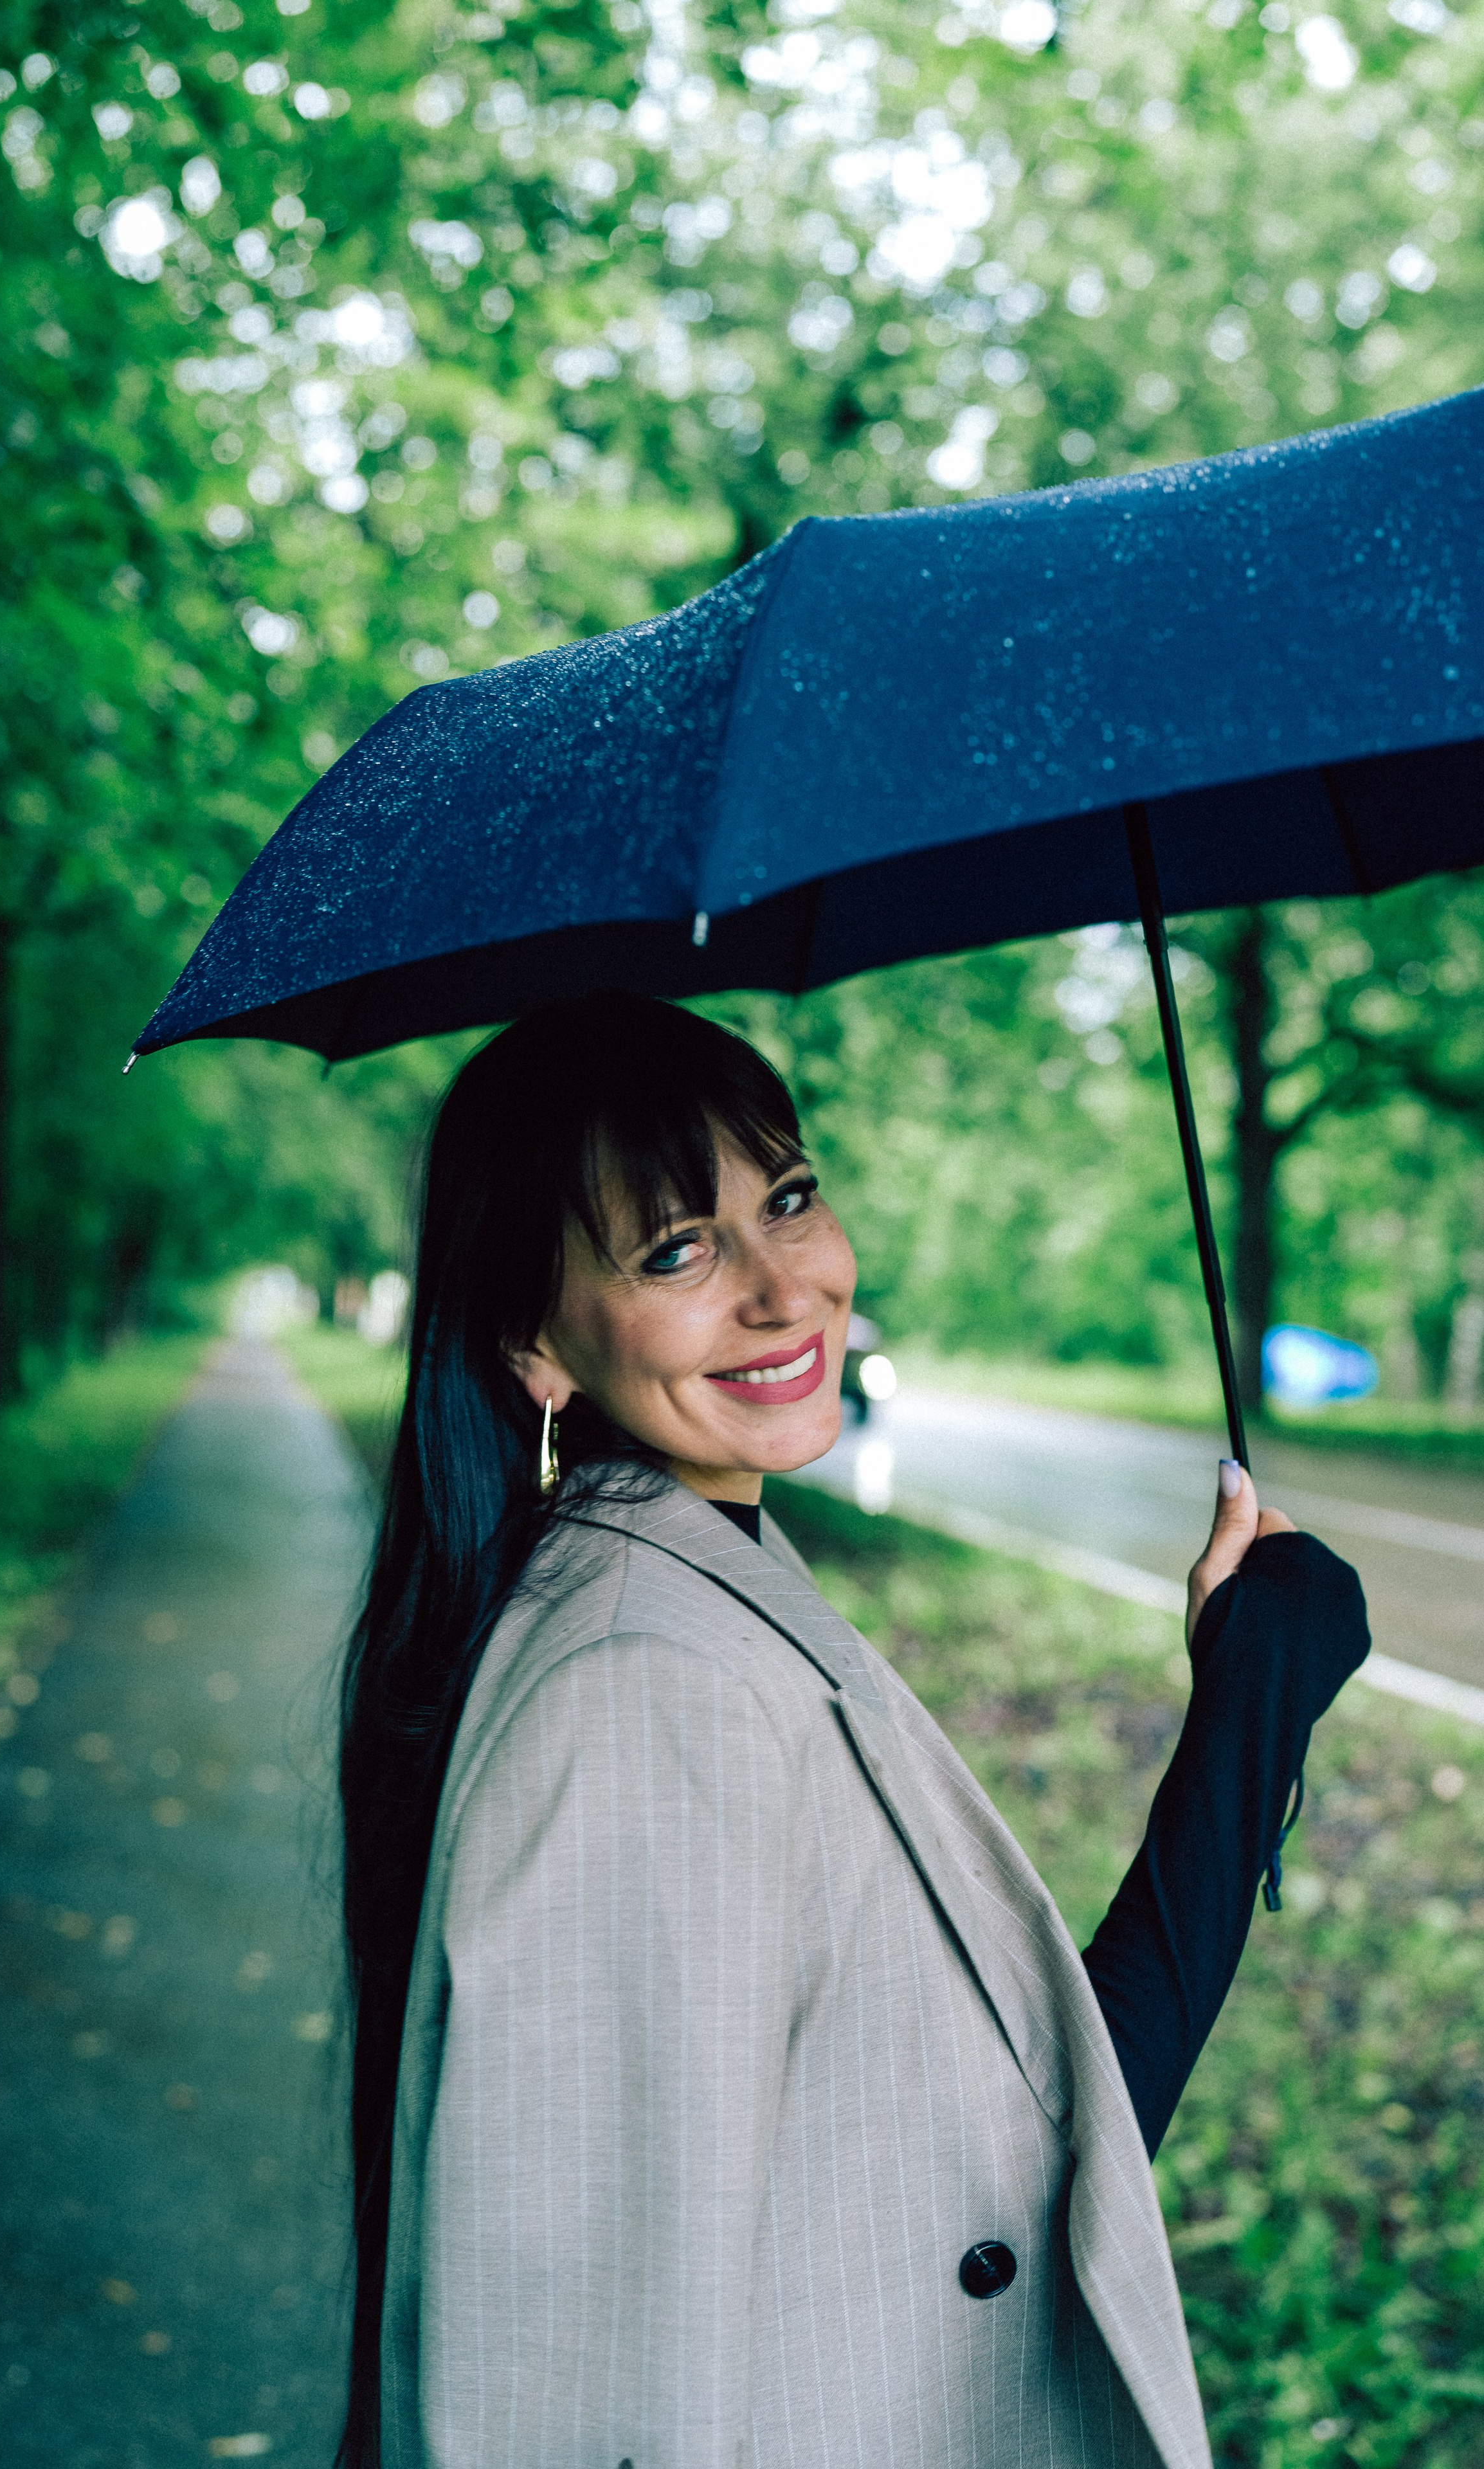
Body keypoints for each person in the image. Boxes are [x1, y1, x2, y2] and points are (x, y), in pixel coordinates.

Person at [337, 991, 1368, 2469]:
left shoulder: (707, 1579)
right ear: (533, 1343)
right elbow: (575, 2399)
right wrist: (1250, 1717)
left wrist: (1248, 1704)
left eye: (787, 1199)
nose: (784, 1289)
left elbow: (1014, 2167)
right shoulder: (642, 1689)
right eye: (675, 1250)